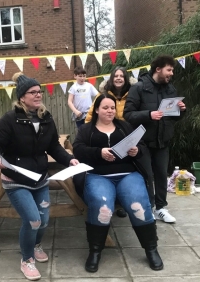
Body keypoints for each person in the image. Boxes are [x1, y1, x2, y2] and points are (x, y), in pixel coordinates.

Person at [0, 72, 79, 281]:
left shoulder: (46, 118)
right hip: (16, 180)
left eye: (40, 91)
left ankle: (35, 244)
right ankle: (27, 259)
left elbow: (54, 145)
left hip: (39, 178)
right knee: (33, 220)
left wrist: (69, 159)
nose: (38, 95)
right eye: (33, 92)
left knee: (44, 220)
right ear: (21, 97)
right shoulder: (10, 119)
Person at [73, 94, 164, 272]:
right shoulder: (86, 129)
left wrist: (136, 151)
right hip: (98, 174)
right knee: (102, 206)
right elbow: (78, 150)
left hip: (127, 173)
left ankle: (151, 249)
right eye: (105, 107)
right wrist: (99, 152)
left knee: (138, 203)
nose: (110, 111)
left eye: (112, 107)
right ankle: (95, 251)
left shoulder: (125, 127)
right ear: (97, 109)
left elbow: (142, 148)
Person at [124, 54, 186, 223]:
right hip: (142, 142)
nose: (171, 73)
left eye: (172, 70)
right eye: (169, 70)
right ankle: (148, 207)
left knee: (160, 174)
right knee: (147, 176)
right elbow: (128, 114)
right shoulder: (138, 88)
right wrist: (149, 114)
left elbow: (173, 117)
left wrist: (181, 110)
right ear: (158, 69)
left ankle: (161, 208)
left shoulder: (170, 89)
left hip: (162, 141)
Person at [84, 66, 141, 218]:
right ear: (111, 78)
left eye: (122, 76)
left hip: (125, 133)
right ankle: (109, 202)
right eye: (116, 75)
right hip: (104, 132)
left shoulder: (133, 94)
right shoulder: (102, 96)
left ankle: (123, 203)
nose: (118, 78)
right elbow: (90, 115)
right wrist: (88, 129)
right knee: (106, 166)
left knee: (125, 170)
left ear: (126, 79)